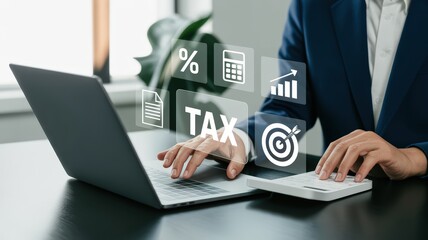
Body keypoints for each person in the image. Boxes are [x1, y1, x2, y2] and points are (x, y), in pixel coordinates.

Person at [157, 0, 428, 182]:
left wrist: (413, 158)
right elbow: (288, 106)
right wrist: (240, 138)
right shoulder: (312, 5)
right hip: (340, 204)